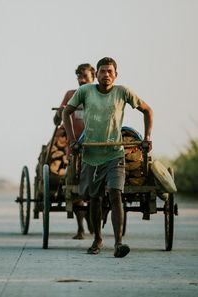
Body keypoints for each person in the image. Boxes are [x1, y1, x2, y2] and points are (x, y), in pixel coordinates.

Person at [62, 57, 153, 257]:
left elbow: (147, 110)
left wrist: (147, 137)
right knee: (94, 199)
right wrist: (71, 140)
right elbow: (66, 113)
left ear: (116, 74)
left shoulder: (123, 92)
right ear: (97, 74)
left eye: (110, 71)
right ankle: (97, 240)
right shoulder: (85, 92)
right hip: (91, 155)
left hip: (115, 153)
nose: (106, 75)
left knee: (115, 193)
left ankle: (119, 243)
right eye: (103, 71)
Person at [53, 63, 95, 240]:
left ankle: (93, 220)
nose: (81, 79)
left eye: (84, 76)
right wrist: (60, 113)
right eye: (78, 76)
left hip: (97, 148)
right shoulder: (71, 95)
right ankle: (80, 228)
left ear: (93, 76)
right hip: (75, 149)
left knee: (96, 187)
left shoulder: (99, 93)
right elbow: (57, 120)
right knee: (76, 185)